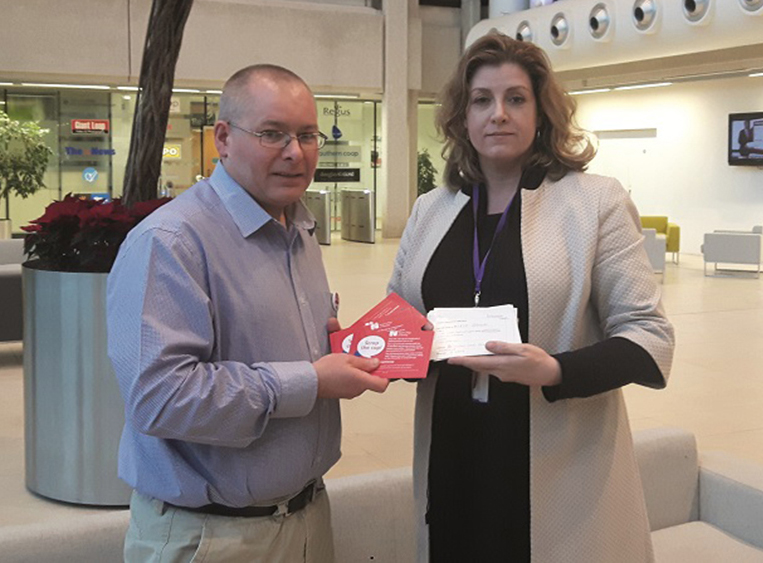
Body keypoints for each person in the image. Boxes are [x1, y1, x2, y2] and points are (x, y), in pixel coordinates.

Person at [388, 34, 674, 562]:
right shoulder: (432, 208)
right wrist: (368, 347)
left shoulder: (594, 202)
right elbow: (400, 321)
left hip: (550, 461)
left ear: (541, 112)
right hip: (452, 451)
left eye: (515, 98)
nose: (498, 114)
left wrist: (555, 370)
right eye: (482, 100)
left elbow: (648, 336)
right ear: (462, 117)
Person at [107, 64, 388, 563]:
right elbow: (159, 398)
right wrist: (307, 380)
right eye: (272, 134)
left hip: (305, 519)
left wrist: (334, 352)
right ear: (223, 138)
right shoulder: (170, 242)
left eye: (306, 135)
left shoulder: (299, 229)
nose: (295, 153)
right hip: (214, 537)